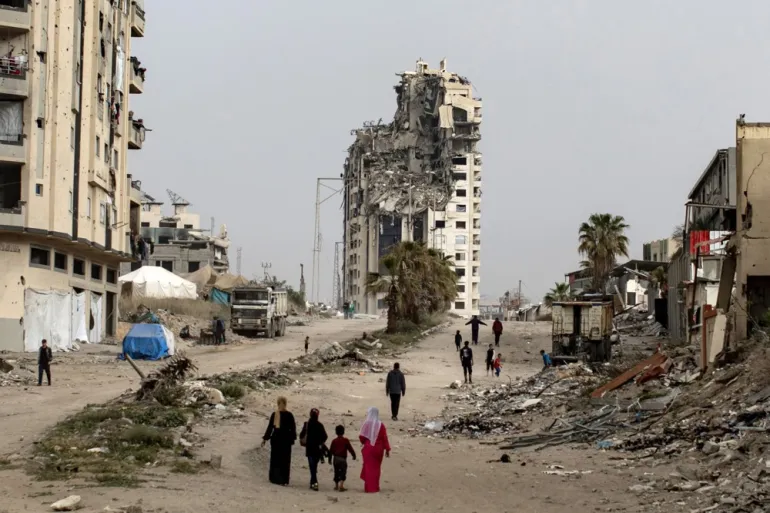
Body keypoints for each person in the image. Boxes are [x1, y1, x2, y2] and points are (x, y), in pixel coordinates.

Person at [261, 396, 297, 486]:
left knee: (280, 460)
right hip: (282, 440)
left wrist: (265, 438)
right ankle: (280, 479)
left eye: (281, 403)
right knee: (280, 459)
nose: (281, 405)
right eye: (280, 403)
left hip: (280, 440)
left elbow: (292, 428)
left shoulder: (280, 414)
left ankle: (278, 479)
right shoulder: (285, 415)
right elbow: (271, 427)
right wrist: (265, 438)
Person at [359, 407, 391, 493]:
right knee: (376, 468)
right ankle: (375, 487)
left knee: (368, 467)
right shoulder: (381, 425)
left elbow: (361, 436)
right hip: (379, 449)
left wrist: (364, 442)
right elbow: (385, 438)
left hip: (368, 449)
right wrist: (387, 449)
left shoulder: (366, 424)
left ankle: (368, 487)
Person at [299, 408, 328, 491]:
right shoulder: (320, 425)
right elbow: (325, 436)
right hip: (318, 449)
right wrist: (320, 442)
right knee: (314, 467)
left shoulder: (307, 424)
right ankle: (313, 483)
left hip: (309, 449)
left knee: (312, 467)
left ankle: (314, 483)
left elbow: (301, 435)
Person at [329, 425, 356, 491]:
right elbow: (350, 449)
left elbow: (331, 451)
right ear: (343, 432)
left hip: (335, 458)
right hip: (343, 459)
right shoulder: (345, 440)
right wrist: (353, 455)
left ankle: (336, 486)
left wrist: (329, 459)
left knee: (336, 472)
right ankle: (341, 485)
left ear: (336, 432)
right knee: (343, 472)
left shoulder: (334, 441)